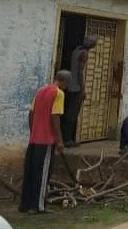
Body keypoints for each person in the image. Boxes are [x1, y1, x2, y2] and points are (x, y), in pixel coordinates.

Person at [19, 70, 69, 214]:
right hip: (46, 141)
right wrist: (59, 140)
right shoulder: (59, 94)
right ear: (64, 81)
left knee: (30, 170)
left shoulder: (40, 91)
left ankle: (24, 204)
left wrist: (33, 131)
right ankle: (37, 206)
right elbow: (55, 117)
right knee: (43, 173)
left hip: (34, 139)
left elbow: (31, 114)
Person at [63, 35, 97, 147]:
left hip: (69, 85)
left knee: (68, 113)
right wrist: (83, 89)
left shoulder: (77, 49)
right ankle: (67, 140)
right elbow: (80, 73)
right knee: (72, 115)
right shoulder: (84, 53)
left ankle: (66, 138)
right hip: (76, 87)